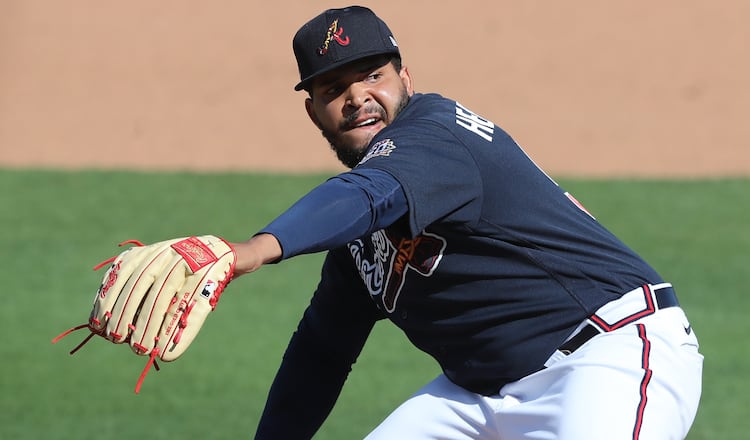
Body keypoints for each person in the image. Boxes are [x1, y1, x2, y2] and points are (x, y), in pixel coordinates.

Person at [227, 6, 704, 439]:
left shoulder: (436, 133)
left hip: (604, 356)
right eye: (334, 90)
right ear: (313, 112)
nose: (358, 97)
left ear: (406, 79)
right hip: (478, 396)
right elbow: (321, 352)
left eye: (373, 75)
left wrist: (249, 252)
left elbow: (368, 193)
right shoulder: (360, 234)